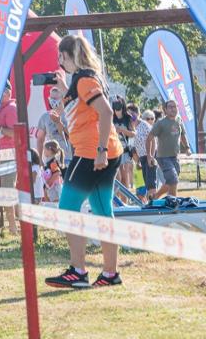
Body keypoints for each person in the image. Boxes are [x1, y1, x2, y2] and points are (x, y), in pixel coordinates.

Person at [45, 34, 124, 288]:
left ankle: (78, 271)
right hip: (103, 151)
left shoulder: (86, 79)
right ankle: (110, 273)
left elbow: (106, 112)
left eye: (61, 57)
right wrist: (64, 87)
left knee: (67, 208)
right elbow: (84, 116)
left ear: (69, 56)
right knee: (103, 212)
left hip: (93, 153)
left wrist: (100, 150)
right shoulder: (82, 79)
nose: (59, 61)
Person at [146, 100, 191, 199]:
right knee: (173, 180)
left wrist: (187, 147)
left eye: (175, 106)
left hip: (175, 157)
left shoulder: (179, 120)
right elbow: (149, 138)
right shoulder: (161, 123)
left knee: (171, 182)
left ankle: (156, 197)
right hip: (163, 157)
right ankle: (173, 204)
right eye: (170, 107)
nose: (173, 109)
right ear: (165, 110)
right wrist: (149, 155)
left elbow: (183, 135)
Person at [0, 82, 19, 234]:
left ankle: (13, 227)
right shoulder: (1, 109)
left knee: (7, 190)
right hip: (0, 154)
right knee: (4, 190)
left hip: (9, 154)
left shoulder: (11, 109)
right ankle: (9, 225)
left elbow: (16, 133)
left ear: (8, 93)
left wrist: (0, 129)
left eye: (1, 92)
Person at [36, 86, 72, 165]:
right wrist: (40, 159)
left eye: (56, 99)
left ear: (63, 98)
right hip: (51, 160)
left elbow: (72, 136)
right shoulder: (45, 117)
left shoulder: (70, 115)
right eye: (51, 98)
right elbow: (40, 139)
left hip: (68, 159)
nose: (53, 101)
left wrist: (58, 122)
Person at [131, 108, 158, 199]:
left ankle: (153, 202)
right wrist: (137, 160)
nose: (150, 120)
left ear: (138, 114)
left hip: (149, 155)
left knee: (151, 183)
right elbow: (135, 146)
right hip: (142, 157)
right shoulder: (132, 127)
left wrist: (151, 156)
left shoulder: (145, 125)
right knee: (146, 182)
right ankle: (150, 202)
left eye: (152, 118)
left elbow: (153, 140)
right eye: (148, 118)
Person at [112, 96, 135, 193]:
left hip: (125, 151)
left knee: (125, 179)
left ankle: (124, 201)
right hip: (114, 152)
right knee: (117, 179)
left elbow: (133, 133)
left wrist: (122, 130)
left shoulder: (128, 117)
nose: (117, 112)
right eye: (115, 109)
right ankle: (116, 203)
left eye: (119, 109)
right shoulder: (110, 117)